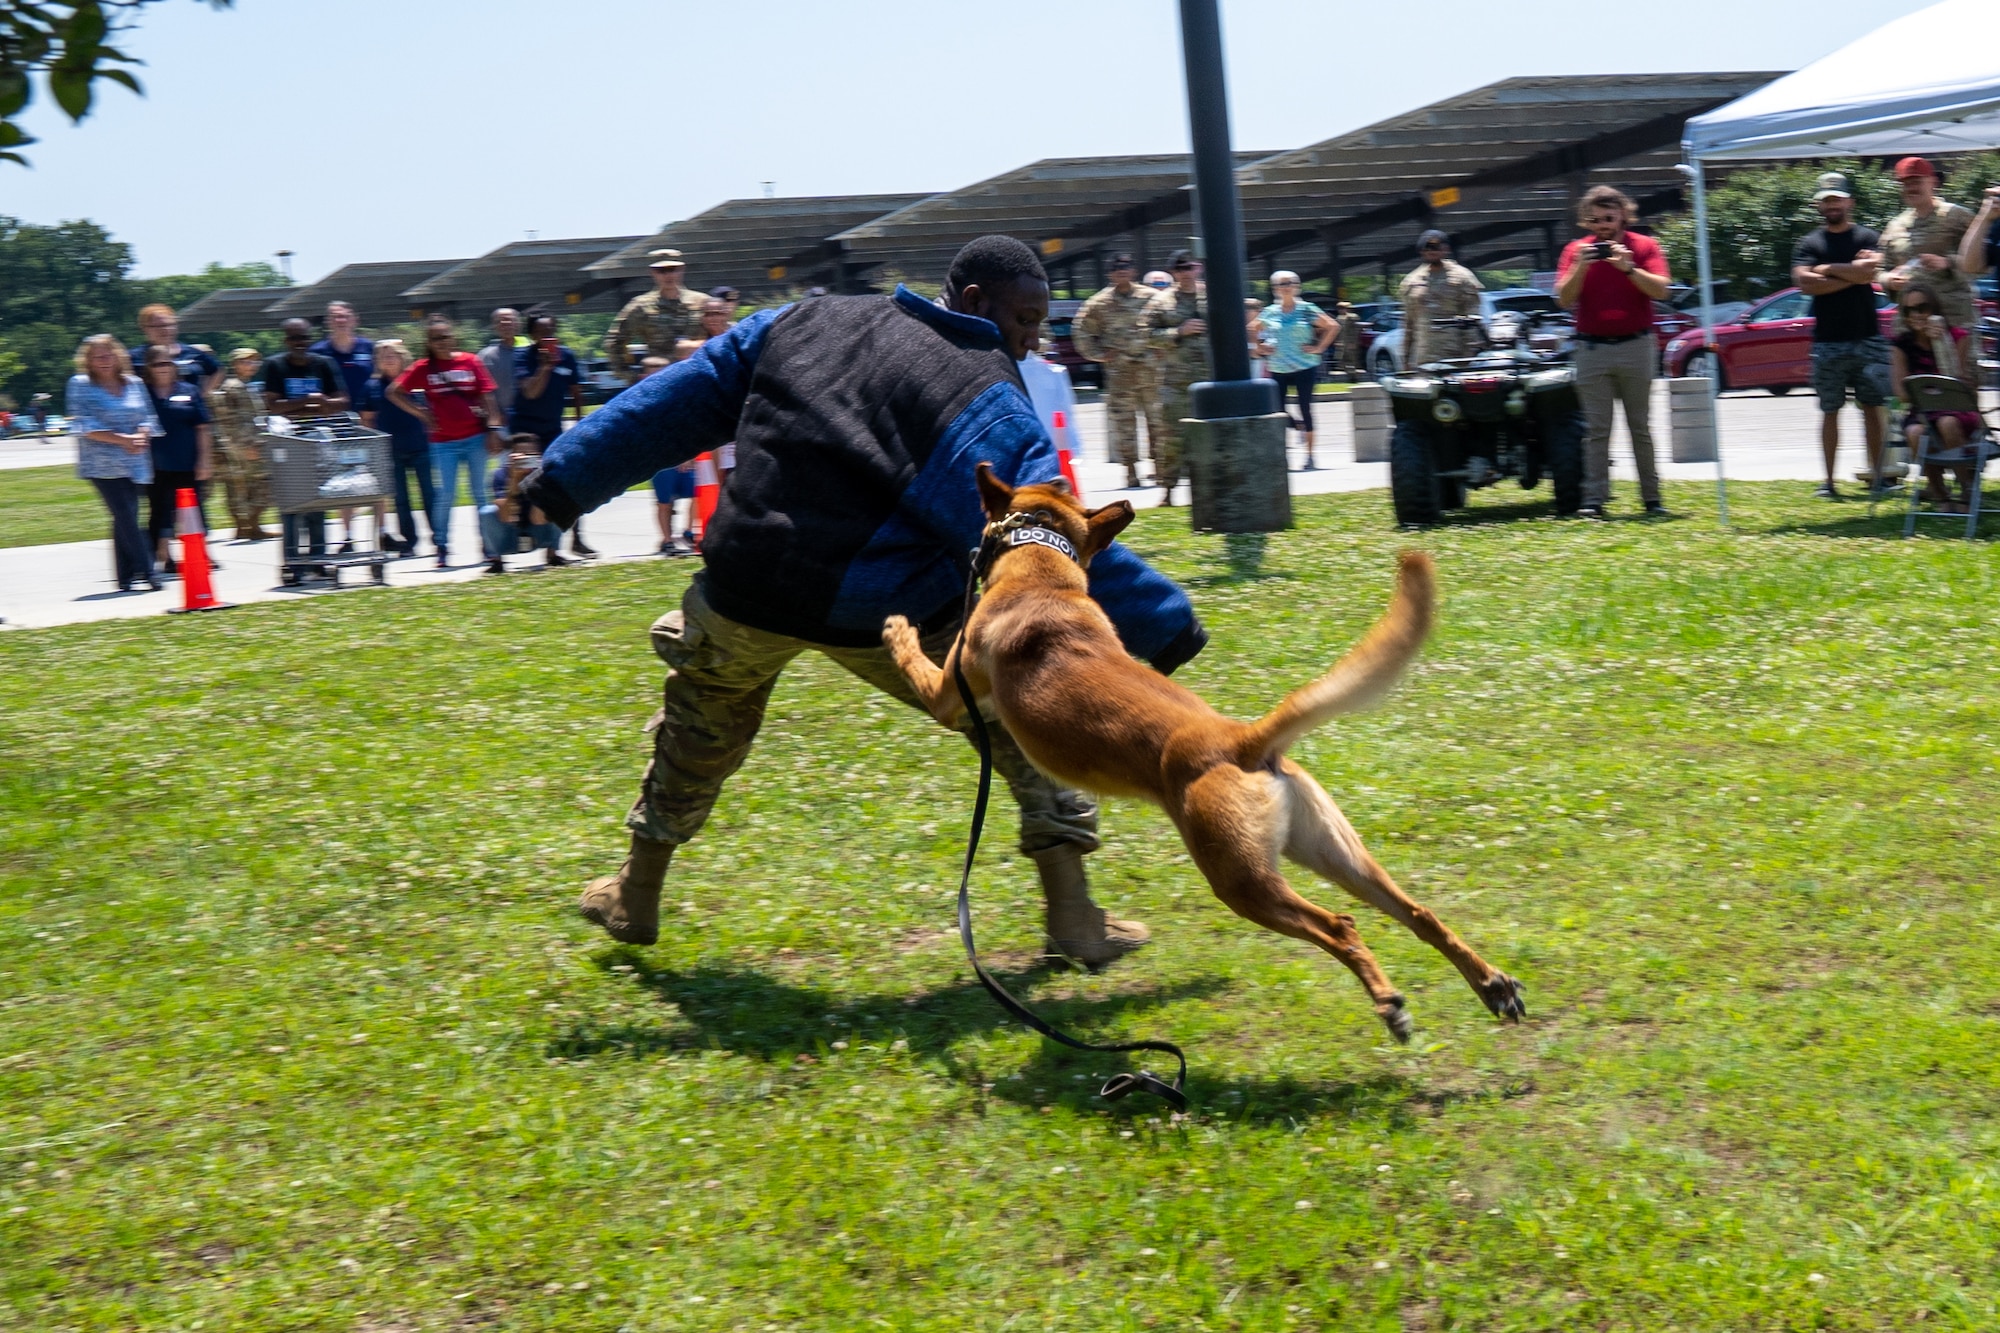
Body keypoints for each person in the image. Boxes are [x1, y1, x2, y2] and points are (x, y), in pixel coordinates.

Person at [520, 235, 1206, 966]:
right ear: (974, 303)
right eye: (1025, 319)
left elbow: (671, 402)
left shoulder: (796, 322)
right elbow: (1049, 528)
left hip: (748, 585)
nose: (1034, 338)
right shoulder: (987, 400)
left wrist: (562, 476)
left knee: (697, 726)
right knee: (1020, 725)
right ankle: (1073, 919)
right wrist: (1162, 623)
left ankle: (636, 890)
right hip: (884, 607)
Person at [1556, 186, 1673, 520]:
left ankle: (1652, 499)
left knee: (1640, 426)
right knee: (1596, 430)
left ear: (1623, 214)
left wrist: (1628, 268)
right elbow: (1563, 300)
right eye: (1595, 220)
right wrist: (1580, 267)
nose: (1602, 226)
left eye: (1609, 218)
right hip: (1592, 348)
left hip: (1636, 346)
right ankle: (1594, 500)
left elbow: (1662, 290)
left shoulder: (1644, 246)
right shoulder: (1576, 251)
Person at [1791, 172, 1890, 500]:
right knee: (1829, 409)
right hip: (1828, 340)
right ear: (1819, 205)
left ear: (1850, 201)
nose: (1831, 205)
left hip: (1868, 337)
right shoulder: (1809, 243)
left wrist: (1827, 269)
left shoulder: (1867, 237)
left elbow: (1872, 271)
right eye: (1825, 200)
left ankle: (1879, 478)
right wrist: (1853, 274)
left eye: (1837, 199)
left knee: (1873, 407)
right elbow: (1804, 283)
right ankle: (1829, 483)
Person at [390, 315, 507, 569]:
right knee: (446, 495)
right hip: (443, 442)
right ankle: (441, 546)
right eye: (435, 339)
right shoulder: (423, 368)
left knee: (481, 494)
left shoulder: (470, 361)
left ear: (453, 337)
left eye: (445, 337)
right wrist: (421, 414)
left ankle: (488, 546)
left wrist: (494, 429)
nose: (441, 343)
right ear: (429, 343)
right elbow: (394, 392)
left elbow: (488, 398)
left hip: (475, 437)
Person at [67, 334, 162, 592]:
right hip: (102, 463)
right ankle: (148, 570)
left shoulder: (134, 383)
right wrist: (123, 439)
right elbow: (84, 424)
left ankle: (125, 576)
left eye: (108, 355)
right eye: (97, 356)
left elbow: (147, 417)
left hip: (134, 460)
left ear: (118, 356)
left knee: (126, 516)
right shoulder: (81, 384)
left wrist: (141, 435)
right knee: (126, 515)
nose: (104, 360)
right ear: (87, 361)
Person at [260, 318, 351, 567]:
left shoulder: (323, 364)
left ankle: (318, 560)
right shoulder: (275, 365)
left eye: (304, 338)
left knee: (317, 501)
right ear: (286, 341)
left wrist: (319, 403)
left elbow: (342, 401)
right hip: (288, 443)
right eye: (294, 338)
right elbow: (273, 405)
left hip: (318, 441)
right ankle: (293, 562)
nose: (300, 343)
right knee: (291, 502)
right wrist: (310, 400)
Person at [1071, 252, 1164, 490]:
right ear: (1110, 273)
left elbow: (1167, 323)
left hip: (1151, 372)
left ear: (1134, 271)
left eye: (1126, 266)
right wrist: (1098, 355)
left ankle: (1160, 469)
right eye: (1116, 267)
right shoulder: (1098, 303)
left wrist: (1164, 349)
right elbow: (1081, 332)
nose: (1121, 270)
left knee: (1158, 422)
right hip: (1120, 374)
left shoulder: (1152, 298)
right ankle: (1131, 471)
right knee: (1125, 425)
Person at [1890, 288, 1983, 514]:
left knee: (1947, 423)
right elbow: (1901, 393)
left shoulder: (1957, 337)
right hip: (1922, 411)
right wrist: (1929, 393)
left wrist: (1941, 343)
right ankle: (1939, 492)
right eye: (1909, 309)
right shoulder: (1901, 345)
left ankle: (1967, 491)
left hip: (1956, 408)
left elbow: (1954, 381)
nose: (1916, 314)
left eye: (1922, 308)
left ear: (1934, 310)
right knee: (1915, 433)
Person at [138, 344, 217, 573]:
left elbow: (203, 427)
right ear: (149, 368)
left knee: (193, 510)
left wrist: (205, 460)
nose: (163, 368)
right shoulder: (141, 394)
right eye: (157, 364)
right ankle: (164, 556)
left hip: (187, 462)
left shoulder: (189, 390)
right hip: (155, 464)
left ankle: (199, 553)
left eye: (167, 363)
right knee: (160, 510)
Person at [1143, 249, 1211, 504]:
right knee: (1172, 438)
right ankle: (1168, 491)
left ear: (1199, 268)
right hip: (1176, 381)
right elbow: (1145, 335)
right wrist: (1177, 332)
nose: (1186, 273)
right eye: (1180, 268)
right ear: (1173, 272)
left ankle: (1206, 490)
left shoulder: (1212, 297)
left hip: (1211, 379)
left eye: (1191, 267)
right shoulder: (1161, 302)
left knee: (1209, 436)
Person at [1880, 157, 1976, 334]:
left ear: (1933, 182)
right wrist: (1889, 280)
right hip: (1910, 326)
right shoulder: (1895, 225)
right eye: (1905, 184)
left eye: (1916, 182)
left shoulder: (1958, 217)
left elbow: (1981, 263)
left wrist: (1948, 263)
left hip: (1952, 322)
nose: (1911, 188)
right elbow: (1881, 269)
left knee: (1955, 363)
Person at [1256, 270, 1337, 470]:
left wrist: (1319, 348)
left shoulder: (1306, 309)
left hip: (1304, 365)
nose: (1286, 287)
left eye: (1290, 283)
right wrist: (1259, 347)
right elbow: (1251, 327)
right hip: (1278, 366)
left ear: (1297, 286)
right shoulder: (1270, 311)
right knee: (1278, 411)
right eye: (1282, 284)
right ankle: (1280, 456)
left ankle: (1309, 456)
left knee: (1305, 408)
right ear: (1275, 289)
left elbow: (1333, 326)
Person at [361, 339, 435, 556]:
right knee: (401, 499)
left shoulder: (417, 382)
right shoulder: (372, 386)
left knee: (429, 495)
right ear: (378, 362)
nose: (388, 360)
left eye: (393, 355)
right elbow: (366, 419)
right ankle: (409, 542)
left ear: (403, 357)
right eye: (384, 357)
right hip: (390, 450)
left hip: (421, 446)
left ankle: (438, 538)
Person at [606, 249, 708, 381]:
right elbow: (614, 341)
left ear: (682, 269)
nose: (668, 275)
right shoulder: (641, 306)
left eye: (672, 269)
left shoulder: (702, 302)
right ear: (652, 272)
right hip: (662, 380)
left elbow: (722, 335)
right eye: (661, 271)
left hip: (700, 376)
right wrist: (630, 376)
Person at [479, 433, 569, 573]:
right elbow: (505, 516)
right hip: (510, 536)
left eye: (529, 455)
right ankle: (496, 561)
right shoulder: (500, 475)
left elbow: (538, 519)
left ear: (538, 456)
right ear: (511, 457)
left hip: (539, 533)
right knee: (486, 512)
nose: (525, 460)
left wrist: (538, 479)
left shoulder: (546, 474)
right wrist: (514, 481)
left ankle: (552, 554)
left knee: (560, 504)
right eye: (520, 455)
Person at [208, 348, 273, 541]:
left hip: (251, 443)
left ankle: (251, 525)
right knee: (245, 486)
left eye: (254, 362)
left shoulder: (246, 386)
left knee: (253, 486)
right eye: (245, 362)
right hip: (243, 446)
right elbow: (229, 420)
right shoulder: (233, 387)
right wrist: (245, 446)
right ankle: (246, 526)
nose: (250, 365)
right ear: (235, 364)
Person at [1398, 230, 1484, 366]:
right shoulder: (1411, 281)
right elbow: (1409, 325)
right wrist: (1405, 360)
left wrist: (1471, 356)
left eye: (1436, 247)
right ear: (1421, 250)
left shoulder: (1462, 277)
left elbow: (1473, 319)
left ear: (1446, 249)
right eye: (1427, 247)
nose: (1431, 251)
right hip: (1423, 357)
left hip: (1456, 356)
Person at [136, 304, 221, 395]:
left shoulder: (192, 352)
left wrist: (203, 395)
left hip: (189, 407)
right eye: (158, 326)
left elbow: (217, 370)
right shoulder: (135, 357)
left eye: (169, 325)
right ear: (144, 328)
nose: (165, 329)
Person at [476, 307, 525, 417]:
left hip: (529, 417)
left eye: (509, 320)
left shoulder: (531, 351)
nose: (505, 324)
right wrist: (495, 415)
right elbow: (481, 390)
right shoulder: (485, 356)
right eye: (500, 321)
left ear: (518, 324)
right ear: (494, 326)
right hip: (501, 421)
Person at [1333, 301, 1363, 382]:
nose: (1340, 310)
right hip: (1341, 343)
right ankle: (1350, 376)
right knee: (1342, 361)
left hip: (1349, 343)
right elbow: (1337, 331)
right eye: (1339, 308)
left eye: (1342, 308)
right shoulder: (1339, 318)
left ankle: (1353, 377)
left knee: (1351, 361)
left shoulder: (1352, 318)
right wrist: (1337, 341)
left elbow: (1355, 331)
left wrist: (1353, 342)